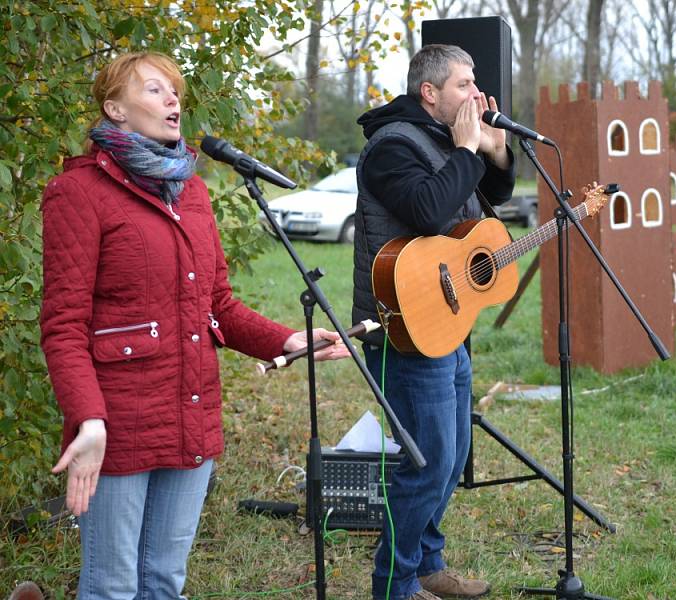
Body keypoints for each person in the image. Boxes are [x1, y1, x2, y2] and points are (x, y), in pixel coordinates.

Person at [39, 51, 349, 600]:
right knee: (111, 586)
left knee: (165, 580)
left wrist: (286, 339)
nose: (173, 100)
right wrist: (87, 419)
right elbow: (64, 326)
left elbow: (219, 306)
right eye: (154, 90)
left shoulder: (193, 192)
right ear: (115, 109)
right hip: (117, 423)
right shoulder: (79, 192)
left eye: (174, 90)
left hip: (191, 412)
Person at [351, 44, 516, 600]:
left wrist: (492, 151)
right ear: (430, 93)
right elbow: (429, 210)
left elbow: (488, 197)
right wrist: (467, 148)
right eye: (465, 85)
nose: (476, 95)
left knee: (452, 458)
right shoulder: (390, 147)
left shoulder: (446, 140)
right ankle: (394, 586)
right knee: (427, 463)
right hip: (402, 327)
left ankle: (428, 567)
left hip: (446, 321)